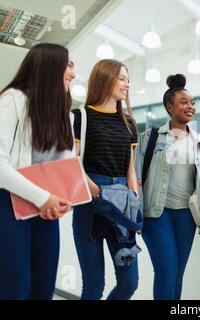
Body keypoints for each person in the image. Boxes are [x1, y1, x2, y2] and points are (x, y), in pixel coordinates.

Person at [0, 43, 76, 300]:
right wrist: (43, 198)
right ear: (50, 66)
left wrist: (66, 200)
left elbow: (66, 165)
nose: (73, 73)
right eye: (69, 65)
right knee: (16, 286)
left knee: (43, 287)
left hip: (45, 209)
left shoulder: (63, 112)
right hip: (8, 204)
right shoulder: (12, 100)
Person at [135, 74, 200, 300]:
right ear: (170, 107)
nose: (190, 106)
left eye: (192, 103)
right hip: (156, 214)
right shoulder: (150, 138)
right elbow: (137, 178)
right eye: (183, 102)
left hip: (186, 217)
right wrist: (136, 215)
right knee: (166, 272)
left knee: (178, 275)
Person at [72, 59, 139, 300]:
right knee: (94, 283)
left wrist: (133, 194)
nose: (126, 84)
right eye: (121, 78)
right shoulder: (80, 116)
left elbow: (130, 166)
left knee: (130, 282)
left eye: (128, 79)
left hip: (122, 200)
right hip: (89, 200)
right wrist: (93, 189)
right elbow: (71, 161)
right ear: (104, 78)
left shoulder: (129, 122)